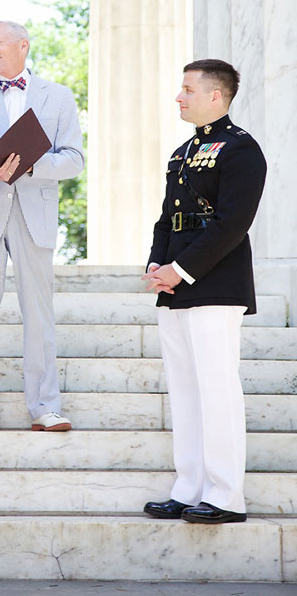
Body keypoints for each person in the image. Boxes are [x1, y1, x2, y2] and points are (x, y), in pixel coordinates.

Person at [142, 59, 266, 524]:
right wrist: (157, 263)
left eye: (187, 89)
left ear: (216, 95)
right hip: (175, 284)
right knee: (186, 391)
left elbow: (232, 223)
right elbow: (166, 217)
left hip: (215, 281)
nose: (179, 97)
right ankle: (189, 486)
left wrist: (181, 268)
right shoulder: (181, 152)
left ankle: (226, 495)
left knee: (216, 390)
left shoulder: (240, 149)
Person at [0, 21, 84, 433]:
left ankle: (45, 407)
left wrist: (31, 163)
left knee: (39, 313)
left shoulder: (58, 97)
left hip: (35, 214)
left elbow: (75, 158)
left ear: (23, 46)